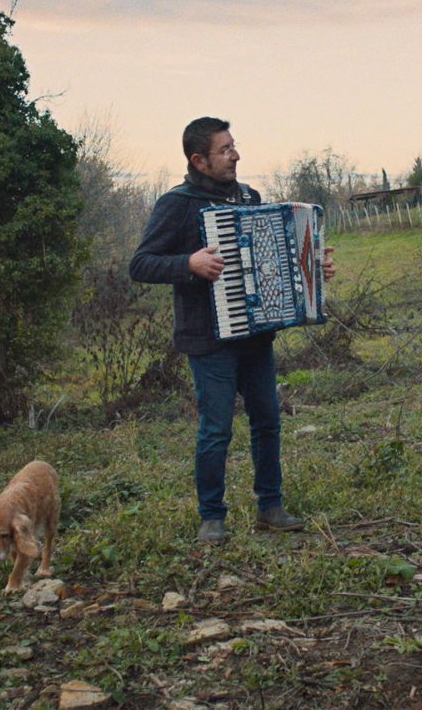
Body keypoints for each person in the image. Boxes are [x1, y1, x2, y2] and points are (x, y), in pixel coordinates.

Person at [129, 117, 335, 543]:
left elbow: (277, 260)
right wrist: (188, 263)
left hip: (255, 335)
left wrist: (314, 266)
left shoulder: (249, 197)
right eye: (224, 150)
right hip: (208, 340)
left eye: (233, 146)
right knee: (216, 429)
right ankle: (212, 517)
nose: (235, 155)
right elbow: (141, 264)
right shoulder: (177, 204)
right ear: (198, 160)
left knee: (268, 420)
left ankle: (270, 507)